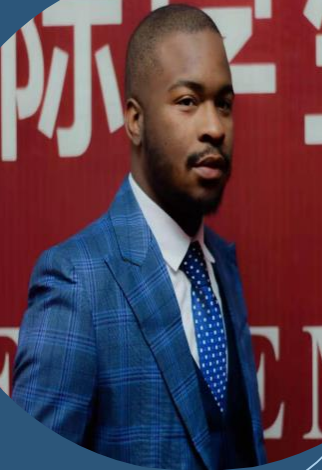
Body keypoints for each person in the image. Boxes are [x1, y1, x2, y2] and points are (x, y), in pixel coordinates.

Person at [12, 4, 267, 470]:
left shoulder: (221, 266)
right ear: (134, 119)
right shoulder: (77, 282)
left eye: (224, 104)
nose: (214, 127)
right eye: (187, 101)